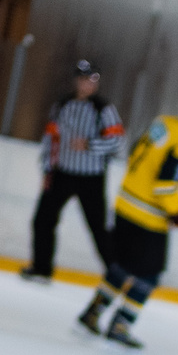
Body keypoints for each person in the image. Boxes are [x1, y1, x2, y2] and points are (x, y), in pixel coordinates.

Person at [76, 88, 178, 349]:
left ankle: (93, 312)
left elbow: (135, 154)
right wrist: (177, 210)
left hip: (125, 205)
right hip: (148, 217)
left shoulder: (162, 124)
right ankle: (121, 324)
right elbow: (165, 187)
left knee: (122, 265)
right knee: (150, 275)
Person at [18, 59, 121, 284]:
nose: (88, 84)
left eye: (92, 80)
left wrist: (90, 145)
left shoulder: (104, 109)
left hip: (91, 177)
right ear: (77, 81)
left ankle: (116, 274)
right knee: (43, 220)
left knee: (98, 228)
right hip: (62, 173)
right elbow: (50, 139)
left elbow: (115, 142)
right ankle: (42, 268)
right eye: (84, 79)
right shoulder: (62, 105)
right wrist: (47, 169)